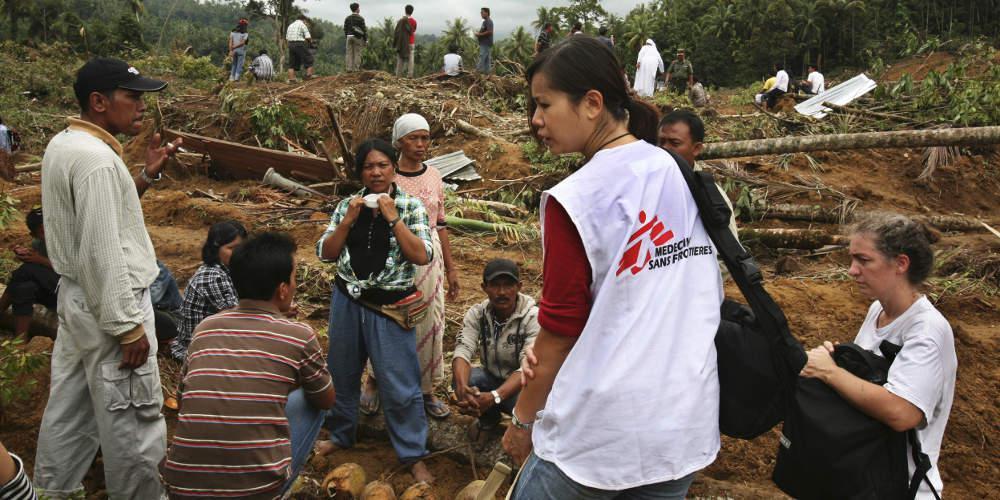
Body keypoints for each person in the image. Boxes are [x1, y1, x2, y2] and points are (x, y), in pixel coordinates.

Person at [501, 36, 724, 498]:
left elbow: (561, 329)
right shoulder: (681, 175)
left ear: (592, 103)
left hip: (598, 437)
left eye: (544, 104)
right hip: (682, 423)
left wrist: (523, 421)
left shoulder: (578, 198)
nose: (535, 120)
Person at [35, 57, 182, 499]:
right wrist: (127, 325)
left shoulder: (65, 145)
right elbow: (101, 249)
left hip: (79, 300)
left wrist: (144, 176)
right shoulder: (96, 160)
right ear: (99, 102)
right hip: (110, 304)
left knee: (70, 412)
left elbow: (97, 220)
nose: (141, 108)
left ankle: (48, 492)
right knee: (134, 428)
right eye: (132, 97)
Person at [162, 232, 334, 499]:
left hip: (182, 487)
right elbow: (326, 399)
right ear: (283, 289)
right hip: (253, 490)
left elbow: (184, 402)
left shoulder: (206, 329)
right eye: (294, 278)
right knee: (312, 399)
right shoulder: (298, 335)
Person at [800, 213, 956, 498]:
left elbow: (901, 412)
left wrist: (830, 372)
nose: (852, 270)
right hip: (868, 477)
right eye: (852, 259)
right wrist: (839, 360)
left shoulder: (926, 331)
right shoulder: (878, 311)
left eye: (864, 260)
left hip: (905, 488)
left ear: (901, 263)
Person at [314, 138, 435, 484]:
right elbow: (326, 252)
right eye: (369, 166)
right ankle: (340, 434)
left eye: (382, 165)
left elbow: (422, 255)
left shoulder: (410, 206)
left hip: (391, 307)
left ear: (394, 167)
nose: (376, 172)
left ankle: (413, 453)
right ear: (360, 172)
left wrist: (393, 218)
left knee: (400, 382)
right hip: (347, 301)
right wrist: (347, 221)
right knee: (342, 371)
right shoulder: (346, 206)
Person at [359, 114, 460, 421]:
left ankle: (427, 389)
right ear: (399, 142)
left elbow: (440, 224)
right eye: (413, 138)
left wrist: (452, 269)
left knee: (429, 322)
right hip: (393, 255)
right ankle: (374, 380)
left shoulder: (434, 176)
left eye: (425, 138)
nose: (420, 144)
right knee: (388, 317)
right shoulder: (387, 177)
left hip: (428, 259)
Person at [453, 258, 538, 441]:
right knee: (467, 379)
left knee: (536, 410)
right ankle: (489, 420)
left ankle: (522, 431)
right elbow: (463, 350)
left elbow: (526, 367)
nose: (502, 292)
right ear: (484, 287)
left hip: (523, 389)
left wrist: (494, 397)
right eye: (495, 285)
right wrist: (462, 389)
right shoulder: (477, 314)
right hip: (491, 379)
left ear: (519, 286)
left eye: (508, 285)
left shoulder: (533, 317)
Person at [657, 110, 738, 242]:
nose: (665, 149)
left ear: (696, 149)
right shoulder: (647, 185)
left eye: (675, 143)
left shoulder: (711, 198)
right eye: (661, 142)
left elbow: (728, 252)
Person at [171, 220, 247, 361]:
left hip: (212, 340)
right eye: (232, 248)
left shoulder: (226, 269)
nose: (239, 253)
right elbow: (237, 319)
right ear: (215, 248)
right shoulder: (213, 276)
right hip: (197, 349)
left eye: (242, 248)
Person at [0, 208, 58, 339]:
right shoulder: (38, 243)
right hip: (49, 291)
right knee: (23, 288)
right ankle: (20, 341)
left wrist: (40, 260)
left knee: (26, 270)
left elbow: (73, 270)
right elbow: (40, 272)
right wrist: (27, 255)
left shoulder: (66, 240)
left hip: (68, 289)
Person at [150, 260, 182, 354]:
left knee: (141, 309)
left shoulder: (157, 268)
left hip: (175, 320)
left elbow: (152, 298)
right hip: (162, 319)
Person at [286, 15, 314, 82]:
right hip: (300, 44)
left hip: (290, 44)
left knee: (292, 63)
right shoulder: (302, 25)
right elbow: (308, 37)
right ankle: (309, 76)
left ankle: (291, 79)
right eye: (306, 22)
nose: (306, 23)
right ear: (304, 20)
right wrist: (311, 42)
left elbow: (287, 38)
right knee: (309, 59)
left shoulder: (290, 25)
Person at [393, 6, 415, 77]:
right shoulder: (413, 21)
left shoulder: (400, 21)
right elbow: (413, 31)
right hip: (410, 42)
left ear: (405, 11)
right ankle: (410, 75)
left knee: (400, 58)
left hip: (401, 43)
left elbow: (396, 32)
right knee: (410, 58)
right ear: (412, 12)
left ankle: (398, 75)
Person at [345, 3, 367, 72]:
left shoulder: (347, 18)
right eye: (358, 8)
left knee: (349, 53)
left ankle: (349, 69)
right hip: (357, 37)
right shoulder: (361, 18)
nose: (359, 9)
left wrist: (347, 36)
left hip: (349, 36)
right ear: (357, 9)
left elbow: (345, 28)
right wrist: (365, 39)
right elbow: (364, 30)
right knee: (357, 53)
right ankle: (356, 69)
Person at [475, 7, 495, 74]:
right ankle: (487, 74)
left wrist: (479, 34)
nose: (481, 14)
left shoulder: (489, 21)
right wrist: (479, 34)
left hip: (486, 43)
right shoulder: (485, 22)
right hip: (484, 43)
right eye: (481, 12)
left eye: (482, 12)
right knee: (487, 60)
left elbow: (490, 31)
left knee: (482, 57)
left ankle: (477, 72)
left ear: (487, 13)